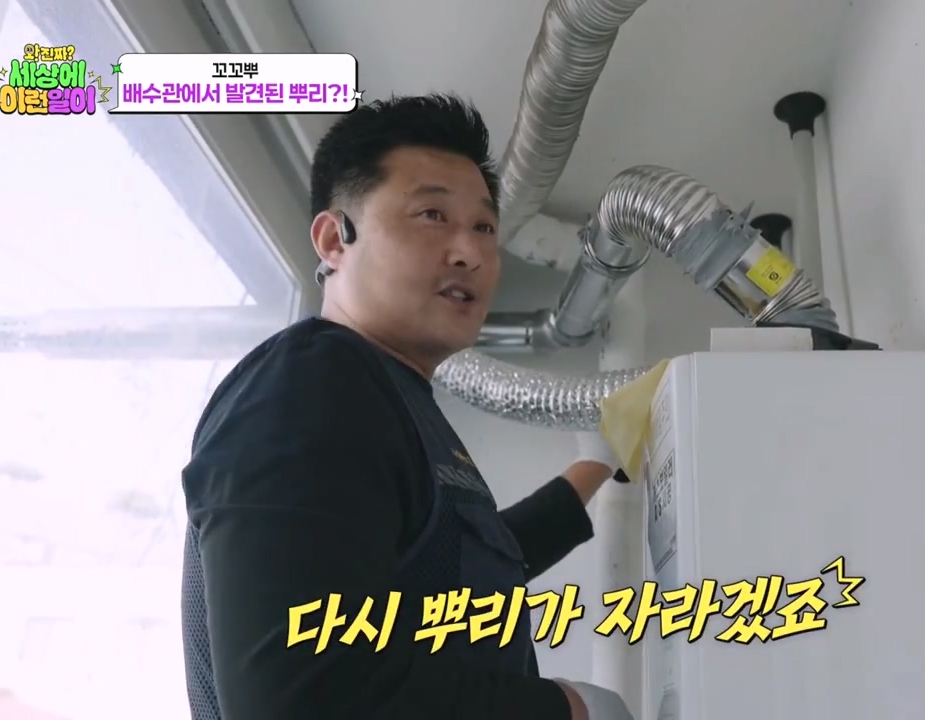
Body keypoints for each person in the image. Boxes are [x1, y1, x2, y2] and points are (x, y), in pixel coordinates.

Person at [180, 94, 636, 719]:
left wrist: (597, 465)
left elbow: (463, 569)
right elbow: (297, 699)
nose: (470, 252)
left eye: (484, 228)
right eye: (431, 214)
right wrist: (568, 709)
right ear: (334, 239)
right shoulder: (310, 385)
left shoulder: (388, 395)